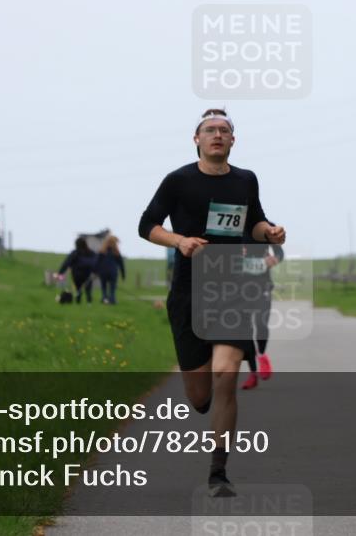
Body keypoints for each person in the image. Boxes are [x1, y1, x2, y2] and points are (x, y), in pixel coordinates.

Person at [138, 108, 285, 498]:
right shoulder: (179, 181)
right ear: (197, 139)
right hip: (188, 291)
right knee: (200, 395)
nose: (217, 135)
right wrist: (179, 241)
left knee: (226, 375)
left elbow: (253, 221)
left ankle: (218, 472)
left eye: (224, 130)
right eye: (210, 130)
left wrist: (268, 231)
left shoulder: (245, 180)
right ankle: (203, 406)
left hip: (232, 285)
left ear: (233, 140)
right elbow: (146, 225)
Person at [240, 242, 284, 390]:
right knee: (246, 330)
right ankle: (253, 373)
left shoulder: (265, 227)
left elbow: (279, 252)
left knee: (261, 323)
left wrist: (275, 259)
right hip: (240, 287)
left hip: (263, 285)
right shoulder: (234, 226)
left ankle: (262, 355)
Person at [57, 237, 97, 305]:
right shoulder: (91, 253)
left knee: (78, 289)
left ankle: (78, 302)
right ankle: (89, 303)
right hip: (88, 274)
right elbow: (96, 263)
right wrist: (96, 272)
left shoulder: (75, 253)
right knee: (88, 289)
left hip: (77, 274)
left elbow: (67, 262)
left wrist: (60, 272)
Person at [95, 235, 126, 304]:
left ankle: (104, 299)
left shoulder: (102, 252)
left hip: (103, 272)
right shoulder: (116, 253)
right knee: (112, 287)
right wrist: (123, 274)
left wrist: (95, 271)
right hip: (113, 272)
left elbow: (97, 262)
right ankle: (112, 300)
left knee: (104, 287)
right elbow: (121, 264)